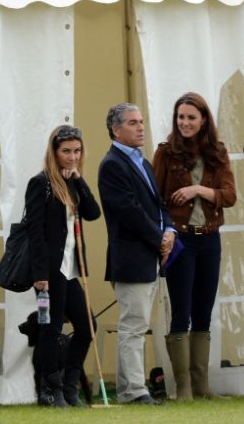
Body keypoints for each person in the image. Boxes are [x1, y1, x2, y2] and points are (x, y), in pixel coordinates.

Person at [152, 92, 237, 400]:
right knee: (181, 313)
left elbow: (229, 195)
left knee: (203, 311)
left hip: (210, 238)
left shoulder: (218, 152)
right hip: (181, 240)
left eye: (191, 117)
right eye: (180, 117)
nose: (184, 122)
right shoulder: (165, 152)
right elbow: (155, 199)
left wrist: (197, 189)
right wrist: (166, 233)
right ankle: (183, 388)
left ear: (203, 121)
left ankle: (202, 387)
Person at [98, 103, 175, 405]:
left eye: (141, 121)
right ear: (116, 130)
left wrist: (169, 231)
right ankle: (133, 390)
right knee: (133, 326)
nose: (141, 127)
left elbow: (159, 204)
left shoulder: (142, 162)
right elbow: (129, 212)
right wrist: (159, 239)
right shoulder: (112, 164)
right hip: (131, 257)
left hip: (151, 253)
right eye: (133, 122)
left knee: (137, 325)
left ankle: (129, 389)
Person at [26, 125, 101, 407]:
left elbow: (93, 213)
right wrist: (40, 275)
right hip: (49, 272)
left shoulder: (72, 182)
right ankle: (50, 390)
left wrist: (79, 180)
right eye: (66, 151)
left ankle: (69, 387)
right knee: (51, 328)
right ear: (54, 152)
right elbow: (35, 232)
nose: (72, 157)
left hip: (70, 270)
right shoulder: (41, 183)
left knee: (86, 326)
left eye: (77, 151)